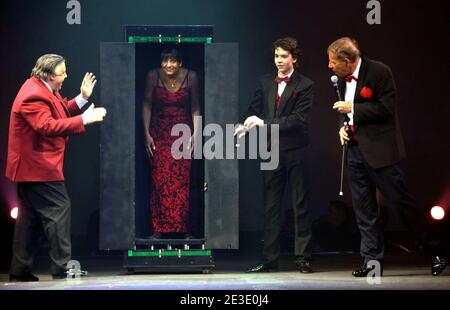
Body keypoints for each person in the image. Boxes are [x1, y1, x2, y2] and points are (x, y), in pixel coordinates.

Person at [328, 37, 431, 276]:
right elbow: (348, 114)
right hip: (355, 151)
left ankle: (435, 248)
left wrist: (352, 108)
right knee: (364, 209)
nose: (330, 67)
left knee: (400, 203)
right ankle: (372, 261)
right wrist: (344, 126)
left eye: (333, 62)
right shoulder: (342, 80)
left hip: (381, 151)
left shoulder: (380, 71)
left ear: (347, 60)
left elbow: (386, 109)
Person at [5, 54, 107, 281]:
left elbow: (59, 111)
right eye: (62, 73)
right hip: (37, 166)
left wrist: (81, 99)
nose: (65, 76)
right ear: (50, 75)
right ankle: (61, 267)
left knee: (28, 219)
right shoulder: (33, 95)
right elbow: (47, 126)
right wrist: (85, 119)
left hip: (32, 167)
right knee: (60, 210)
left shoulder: (42, 89)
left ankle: (19, 270)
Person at [235, 37, 314, 273]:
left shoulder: (305, 85)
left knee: (299, 204)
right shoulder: (265, 81)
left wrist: (262, 123)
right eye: (276, 56)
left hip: (295, 149)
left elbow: (297, 120)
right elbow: (254, 110)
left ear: (294, 59)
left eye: (284, 56)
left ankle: (303, 257)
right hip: (270, 150)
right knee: (270, 206)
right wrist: (245, 125)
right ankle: (269, 259)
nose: (279, 60)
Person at [142, 48, 200, 239]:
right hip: (160, 133)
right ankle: (158, 229)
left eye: (173, 61)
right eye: (165, 61)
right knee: (159, 180)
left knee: (182, 182)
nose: (169, 65)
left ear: (180, 63)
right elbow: (147, 104)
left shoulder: (191, 77)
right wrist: (146, 133)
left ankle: (183, 229)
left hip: (182, 133)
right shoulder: (153, 76)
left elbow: (196, 107)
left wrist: (196, 134)